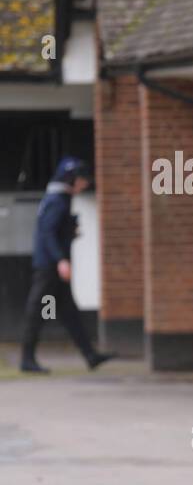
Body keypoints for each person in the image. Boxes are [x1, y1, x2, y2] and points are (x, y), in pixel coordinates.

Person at [19, 156, 116, 374]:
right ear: (71, 179)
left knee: (69, 313)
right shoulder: (57, 200)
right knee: (40, 311)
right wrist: (60, 260)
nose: (84, 184)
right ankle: (27, 358)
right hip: (49, 269)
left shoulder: (60, 198)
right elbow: (47, 232)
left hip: (53, 266)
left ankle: (90, 355)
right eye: (81, 179)